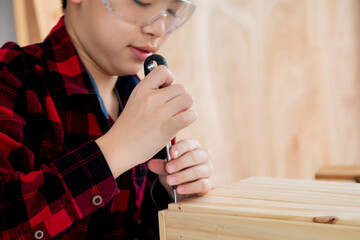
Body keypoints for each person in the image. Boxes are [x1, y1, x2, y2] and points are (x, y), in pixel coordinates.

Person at [0, 0, 213, 239]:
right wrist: (117, 149)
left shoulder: (144, 99)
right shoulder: (9, 77)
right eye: (142, 2)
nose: (159, 29)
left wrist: (172, 197)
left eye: (173, 12)